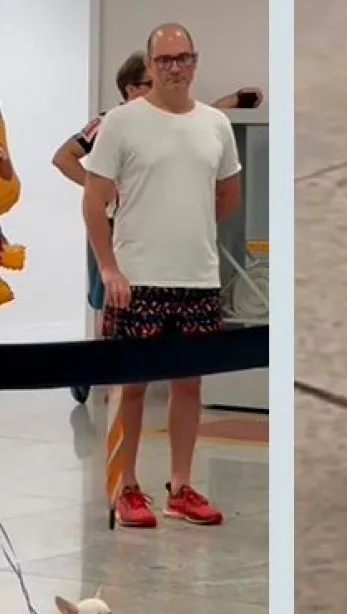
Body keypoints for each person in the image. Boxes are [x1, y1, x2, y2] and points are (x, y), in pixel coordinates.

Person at [82, 22, 242, 528]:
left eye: (184, 58)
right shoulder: (123, 123)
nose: (176, 68)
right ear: (149, 67)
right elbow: (93, 201)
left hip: (196, 277)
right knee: (132, 386)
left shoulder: (216, 124)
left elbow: (228, 194)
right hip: (136, 279)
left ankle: (181, 486)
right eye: (165, 60)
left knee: (189, 385)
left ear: (195, 62)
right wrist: (109, 267)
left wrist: (185, 228)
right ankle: (127, 486)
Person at [54, 52, 154, 405]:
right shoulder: (106, 122)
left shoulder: (164, 121)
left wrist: (236, 100)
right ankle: (96, 372)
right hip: (109, 224)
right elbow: (63, 156)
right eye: (150, 83)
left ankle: (111, 373)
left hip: (146, 226)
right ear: (131, 89)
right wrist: (98, 189)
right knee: (108, 300)